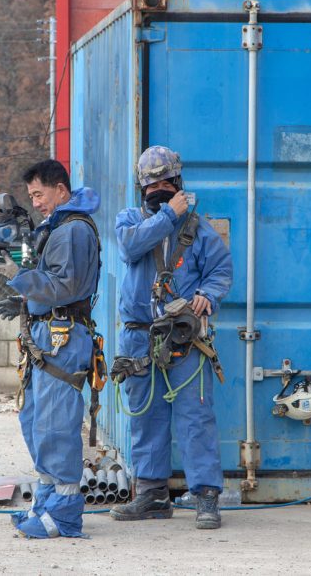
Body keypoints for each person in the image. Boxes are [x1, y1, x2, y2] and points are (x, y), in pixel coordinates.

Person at [109, 145, 232, 530]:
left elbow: (221, 271)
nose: (159, 189)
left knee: (196, 417)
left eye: (166, 183)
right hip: (139, 337)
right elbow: (131, 247)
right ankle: (151, 495)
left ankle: (206, 496)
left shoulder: (198, 229)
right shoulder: (130, 221)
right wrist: (168, 214)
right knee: (146, 415)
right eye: (152, 184)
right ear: (141, 187)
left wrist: (207, 295)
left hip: (184, 337)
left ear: (179, 182)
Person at [0, 159, 100, 539]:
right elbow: (49, 285)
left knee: (56, 425)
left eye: (39, 194)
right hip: (45, 337)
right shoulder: (57, 228)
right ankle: (47, 501)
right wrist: (23, 300)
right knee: (36, 420)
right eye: (32, 195)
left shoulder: (72, 232)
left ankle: (64, 515)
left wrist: (16, 276)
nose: (35, 203)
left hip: (62, 339)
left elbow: (64, 288)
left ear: (61, 191)